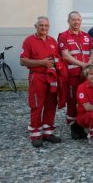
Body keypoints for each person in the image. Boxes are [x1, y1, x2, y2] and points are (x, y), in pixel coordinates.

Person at [20, 16, 62, 147]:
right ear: (36, 26)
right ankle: (36, 134)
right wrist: (42, 62)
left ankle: (48, 132)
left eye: (46, 26)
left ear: (49, 27)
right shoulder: (29, 41)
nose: (44, 28)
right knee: (37, 104)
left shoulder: (52, 41)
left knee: (51, 103)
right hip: (37, 76)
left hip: (51, 77)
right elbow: (22, 60)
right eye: (41, 25)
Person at [58, 11, 93, 139]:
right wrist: (82, 65)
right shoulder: (64, 36)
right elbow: (65, 55)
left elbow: (92, 53)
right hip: (73, 74)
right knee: (72, 100)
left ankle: (83, 123)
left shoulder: (86, 36)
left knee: (86, 99)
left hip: (86, 75)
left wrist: (88, 66)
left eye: (78, 20)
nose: (76, 22)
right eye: (73, 20)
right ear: (68, 21)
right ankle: (73, 126)